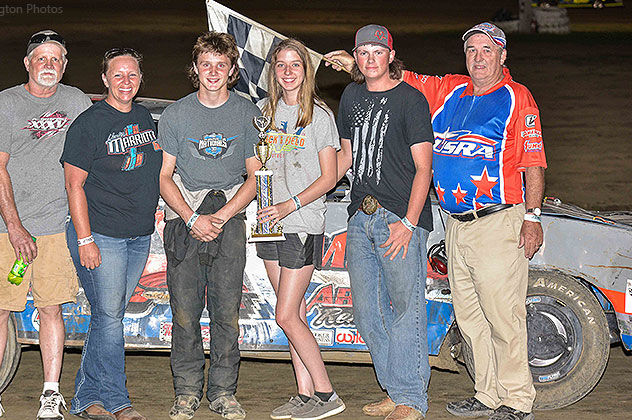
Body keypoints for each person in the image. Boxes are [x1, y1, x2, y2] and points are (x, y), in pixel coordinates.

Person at [326, 22, 546, 420]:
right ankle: (486, 393)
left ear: (503, 55)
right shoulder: (452, 91)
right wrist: (350, 67)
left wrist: (532, 216)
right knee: (470, 316)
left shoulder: (518, 98)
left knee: (503, 314)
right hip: (455, 222)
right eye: (472, 50)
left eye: (487, 50)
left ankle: (516, 400)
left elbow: (533, 161)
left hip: (498, 220)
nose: (478, 57)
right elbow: (397, 78)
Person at [0, 30, 92, 420]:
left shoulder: (77, 101)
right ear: (28, 63)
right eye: (41, 58)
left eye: (56, 59)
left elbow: (95, 151)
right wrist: (15, 226)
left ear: (65, 64)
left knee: (51, 309)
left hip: (56, 226)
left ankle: (51, 394)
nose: (49, 65)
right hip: (7, 230)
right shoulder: (6, 103)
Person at [329, 24, 434, 420]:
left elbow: (424, 168)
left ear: (391, 56)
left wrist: (408, 223)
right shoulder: (351, 95)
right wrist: (308, 185)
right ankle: (395, 389)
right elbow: (346, 157)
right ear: (355, 58)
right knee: (369, 311)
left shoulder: (411, 100)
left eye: (377, 52)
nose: (370, 59)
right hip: (361, 216)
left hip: (400, 217)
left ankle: (412, 400)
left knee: (407, 308)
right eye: (363, 53)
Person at [158, 31, 260, 420]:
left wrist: (222, 215)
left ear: (232, 70)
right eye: (206, 65)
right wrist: (191, 217)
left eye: (221, 65)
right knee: (184, 311)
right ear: (195, 69)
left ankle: (222, 391)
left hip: (229, 217)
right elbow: (165, 176)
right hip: (185, 217)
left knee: (226, 310)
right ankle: (186, 391)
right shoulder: (176, 114)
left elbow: (256, 174)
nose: (213, 72)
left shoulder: (247, 113)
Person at [60, 47, 160, 420]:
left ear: (140, 79)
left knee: (107, 316)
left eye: (132, 75)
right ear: (104, 79)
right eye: (117, 75)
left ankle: (87, 398)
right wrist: (85, 239)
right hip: (101, 234)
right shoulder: (89, 123)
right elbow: (74, 186)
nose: (126, 82)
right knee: (110, 317)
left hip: (138, 235)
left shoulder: (144, 116)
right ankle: (118, 401)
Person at [254, 38, 344, 420]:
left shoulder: (318, 116)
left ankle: (327, 394)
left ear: (307, 71)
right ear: (272, 71)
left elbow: (329, 177)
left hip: (302, 223)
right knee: (296, 314)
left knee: (285, 315)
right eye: (281, 65)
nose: (288, 71)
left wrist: (289, 205)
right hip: (268, 223)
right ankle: (304, 394)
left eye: (296, 64)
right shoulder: (263, 112)